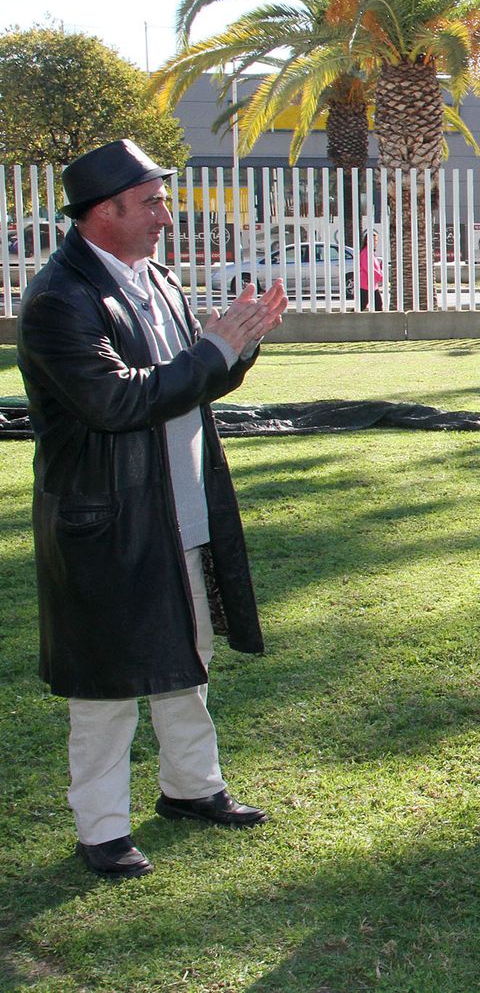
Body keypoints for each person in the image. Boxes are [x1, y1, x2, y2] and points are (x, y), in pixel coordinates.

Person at [17, 139, 289, 878]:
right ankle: (100, 827)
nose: (165, 216)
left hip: (178, 507)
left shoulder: (155, 278)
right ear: (105, 213)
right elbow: (117, 401)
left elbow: (188, 385)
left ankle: (191, 788)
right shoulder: (58, 300)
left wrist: (238, 345)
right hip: (106, 522)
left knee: (188, 655)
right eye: (151, 202)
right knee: (103, 684)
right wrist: (209, 351)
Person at [358, 233, 385, 311]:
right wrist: (380, 276)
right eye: (374, 240)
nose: (375, 242)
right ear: (367, 241)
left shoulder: (370, 252)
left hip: (371, 284)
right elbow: (368, 267)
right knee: (362, 304)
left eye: (376, 240)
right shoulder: (366, 252)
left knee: (377, 304)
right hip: (366, 283)